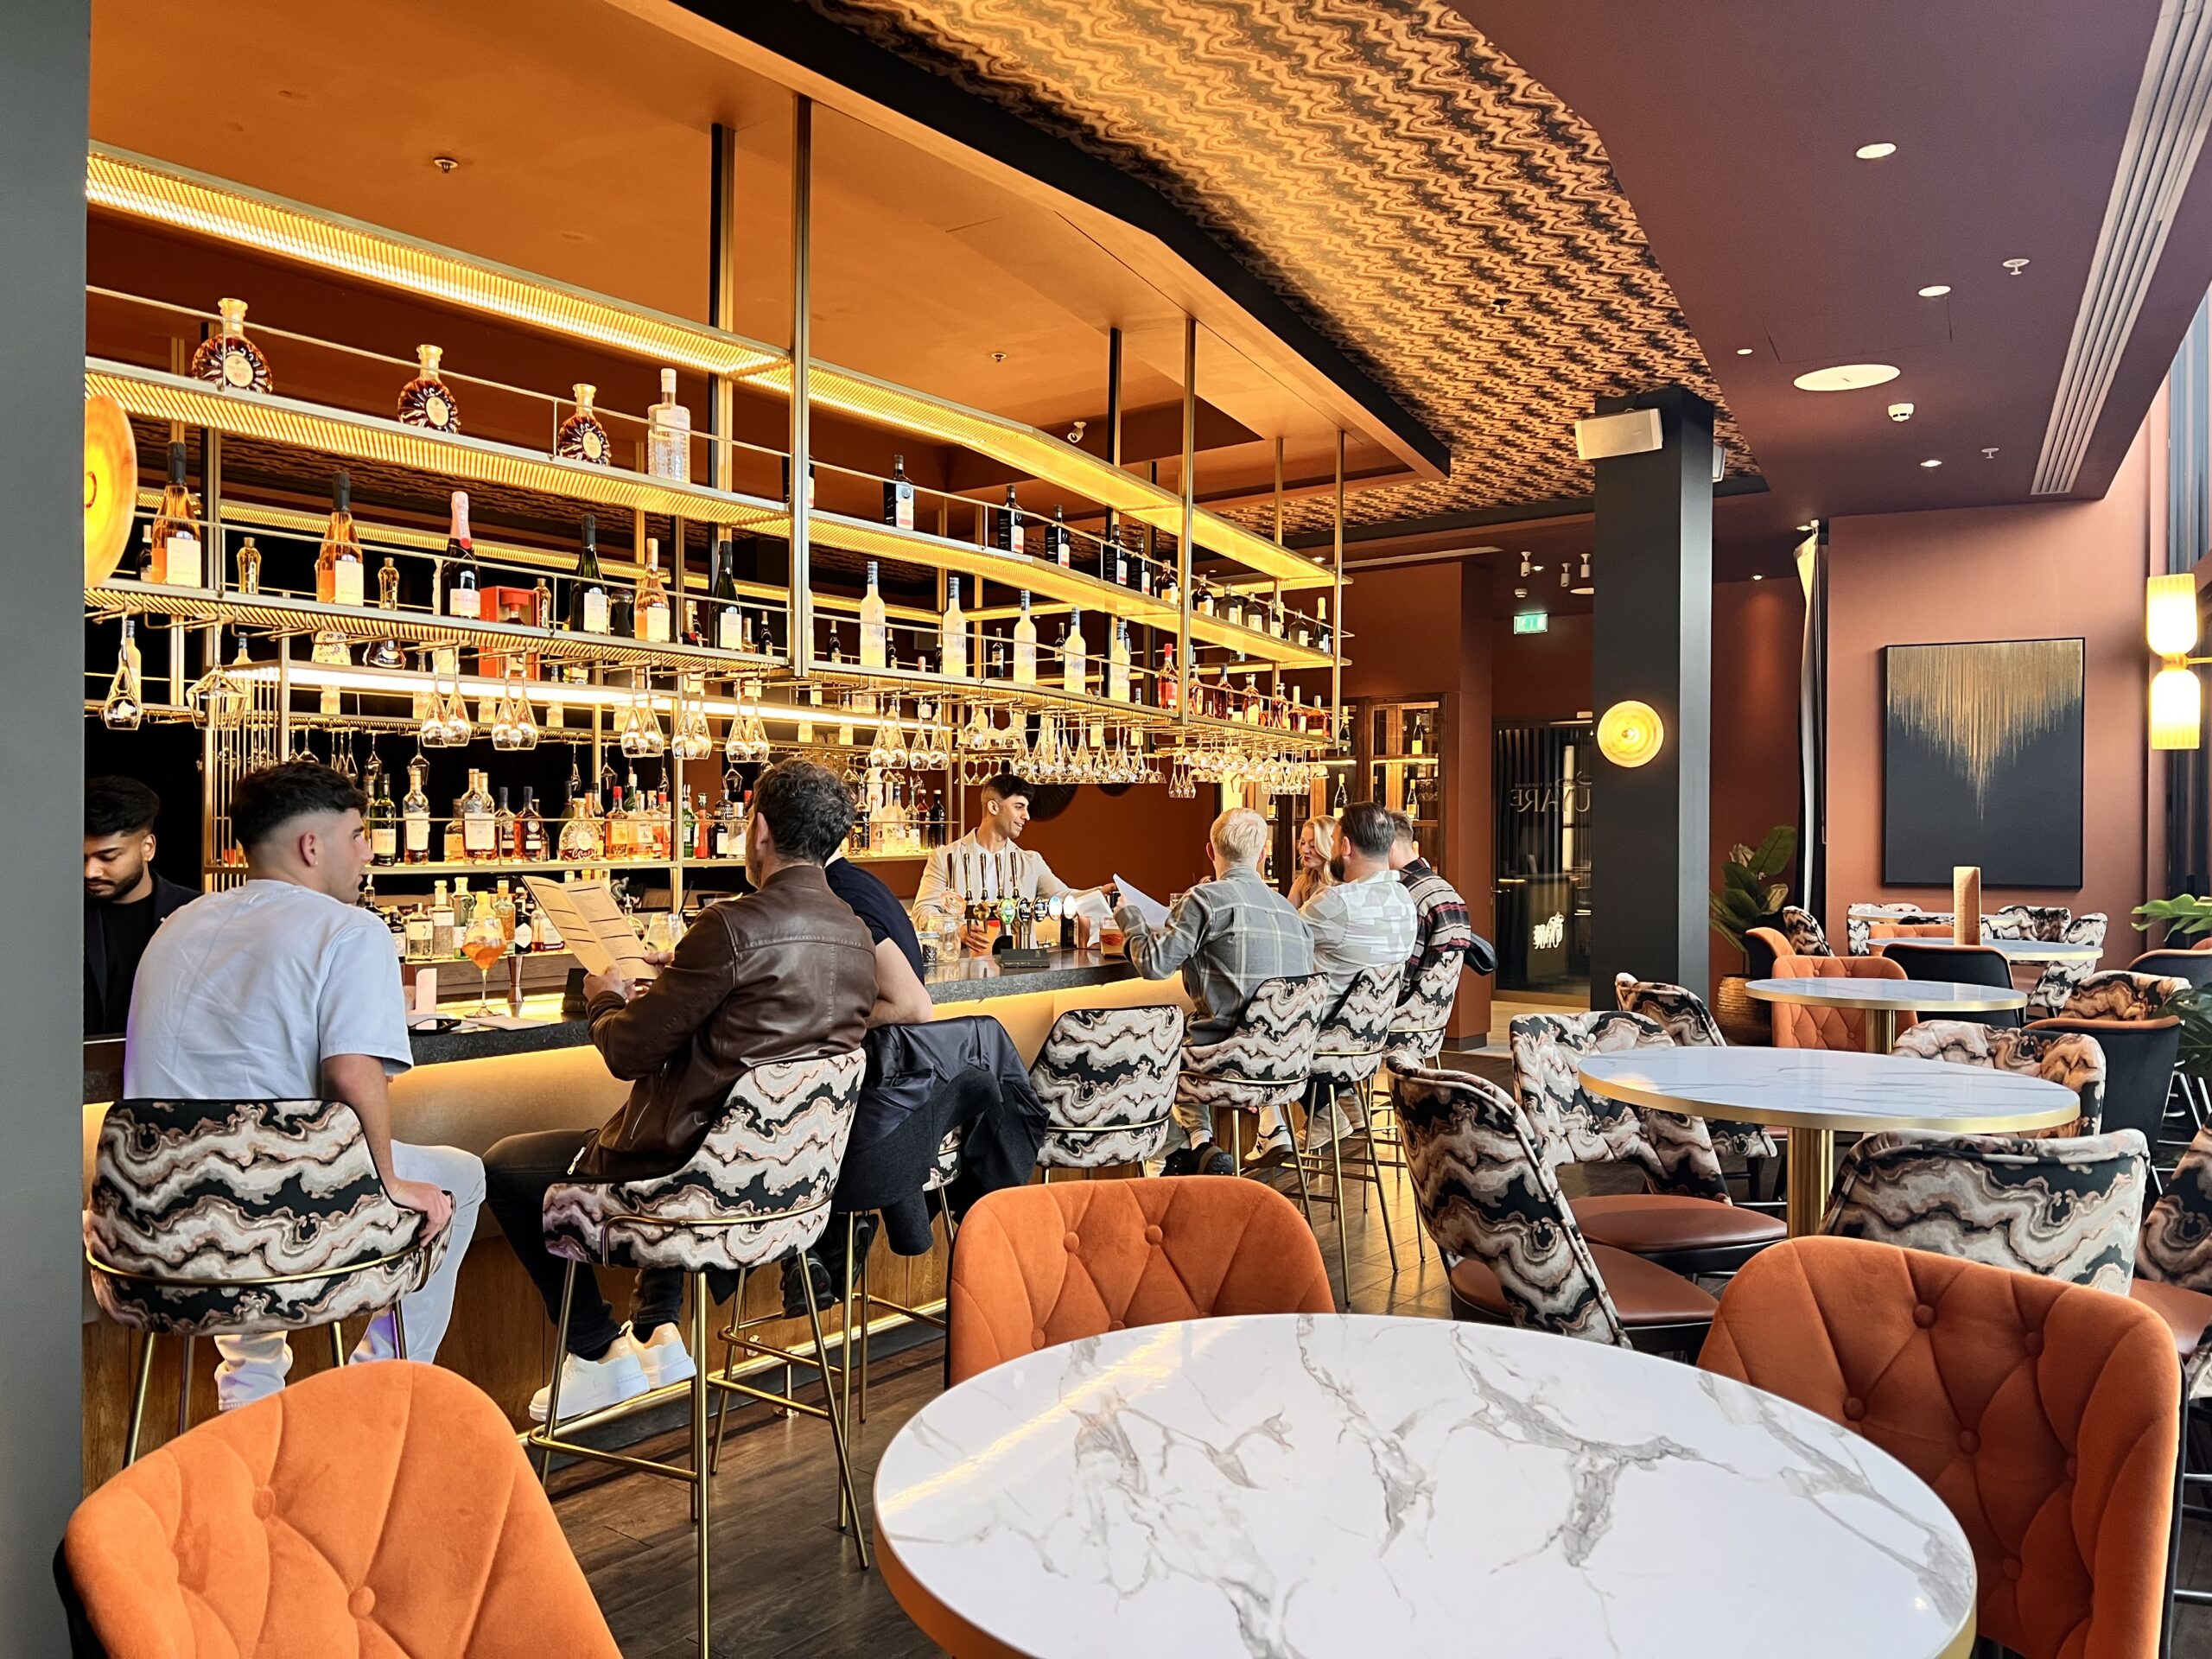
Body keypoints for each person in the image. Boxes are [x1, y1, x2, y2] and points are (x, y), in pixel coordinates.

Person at [483, 760, 877, 1422]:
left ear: (758, 832)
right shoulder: (857, 936)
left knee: (506, 1166)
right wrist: (680, 979)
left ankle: (595, 1353)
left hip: (691, 1187)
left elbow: (629, 1052)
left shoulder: (731, 925)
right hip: (784, 1195)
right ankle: (657, 1329)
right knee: (686, 1134)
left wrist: (603, 998)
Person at [121, 762, 482, 1409]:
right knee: (459, 1177)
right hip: (276, 1223)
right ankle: (374, 1399)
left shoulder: (174, 927)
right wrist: (390, 1182)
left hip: (154, 1229)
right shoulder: (349, 930)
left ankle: (252, 1399)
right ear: (312, 847)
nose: (368, 851)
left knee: (251, 1169)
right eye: (358, 835)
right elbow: (350, 1073)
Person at [1114, 807, 1313, 1178]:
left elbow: (1155, 965)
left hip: (1225, 1058)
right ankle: (1212, 1141)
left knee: (1144, 1054)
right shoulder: (1291, 912)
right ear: (1263, 854)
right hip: (1285, 1061)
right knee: (1182, 1037)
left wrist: (1131, 921)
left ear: (1210, 851)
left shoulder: (1204, 900)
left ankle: (1180, 1152)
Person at [1296, 801, 1418, 1149]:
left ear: (1346, 847)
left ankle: (1317, 1116)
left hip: (1320, 1038)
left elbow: (1281, 941)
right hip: (1368, 1040)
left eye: (1334, 841)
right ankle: (1345, 1101)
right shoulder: (1405, 901)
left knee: (1264, 1016)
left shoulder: (1338, 902)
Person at [911, 772, 1103, 953]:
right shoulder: (944, 857)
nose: (1026, 816)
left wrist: (1099, 893)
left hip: (1021, 968)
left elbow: (1063, 897)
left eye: (1026, 808)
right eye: (1019, 807)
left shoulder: (1031, 861)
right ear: (993, 807)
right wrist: (957, 929)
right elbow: (922, 911)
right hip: (966, 966)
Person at [85, 776, 197, 1035]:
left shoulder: (196, 912)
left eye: (107, 857)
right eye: (83, 857)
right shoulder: (64, 915)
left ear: (148, 847)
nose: (90, 871)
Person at [824, 840, 934, 1029]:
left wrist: (825, 1022)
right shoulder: (857, 881)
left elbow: (913, 1006)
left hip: (882, 1054)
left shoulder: (839, 892)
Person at [1384, 810, 1488, 1004]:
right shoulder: (1447, 890)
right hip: (1433, 1016)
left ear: (1388, 847)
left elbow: (1399, 983)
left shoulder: (1404, 897)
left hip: (1398, 1018)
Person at [1287, 815, 1341, 911]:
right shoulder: (1303, 883)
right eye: (1303, 843)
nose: (1304, 850)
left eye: (1313, 845)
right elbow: (1288, 918)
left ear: (1329, 847)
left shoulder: (1343, 887)